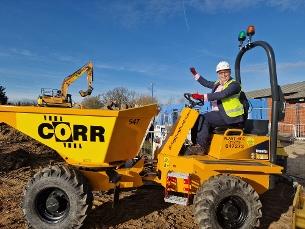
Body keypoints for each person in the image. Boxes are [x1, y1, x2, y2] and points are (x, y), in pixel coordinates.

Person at [186, 61, 248, 155]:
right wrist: (195, 74)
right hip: (220, 115)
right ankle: (195, 145)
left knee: (204, 118)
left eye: (226, 72)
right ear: (218, 74)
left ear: (230, 72)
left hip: (231, 117)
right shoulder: (218, 84)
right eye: (221, 73)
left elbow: (223, 94)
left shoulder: (234, 85)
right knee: (197, 118)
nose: (223, 75)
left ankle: (201, 147)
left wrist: (202, 97)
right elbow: (206, 83)